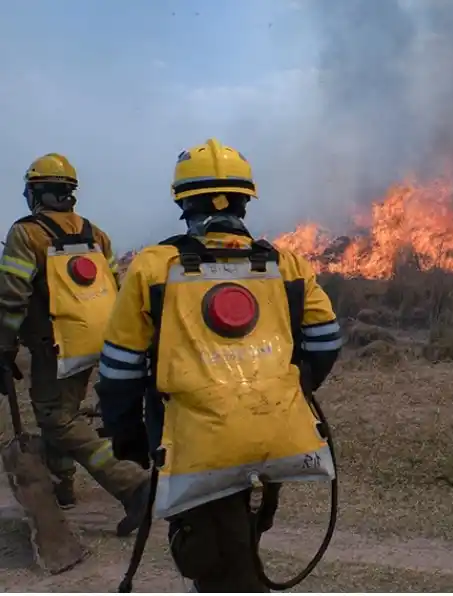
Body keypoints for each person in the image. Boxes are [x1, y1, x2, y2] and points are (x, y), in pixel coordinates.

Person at [96, 138, 342, 592]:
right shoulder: (286, 264)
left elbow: (120, 370)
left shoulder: (154, 267)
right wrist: (293, 388)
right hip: (274, 430)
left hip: (193, 442)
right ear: (245, 201)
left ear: (184, 203)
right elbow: (325, 340)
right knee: (243, 535)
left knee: (213, 556)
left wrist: (129, 436)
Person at [0, 153, 150, 534]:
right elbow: (113, 287)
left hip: (55, 345)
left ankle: (132, 484)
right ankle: (62, 485)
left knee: (56, 416)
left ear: (35, 192)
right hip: (95, 340)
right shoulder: (95, 234)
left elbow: (11, 296)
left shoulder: (26, 233)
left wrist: (3, 346)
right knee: (63, 408)